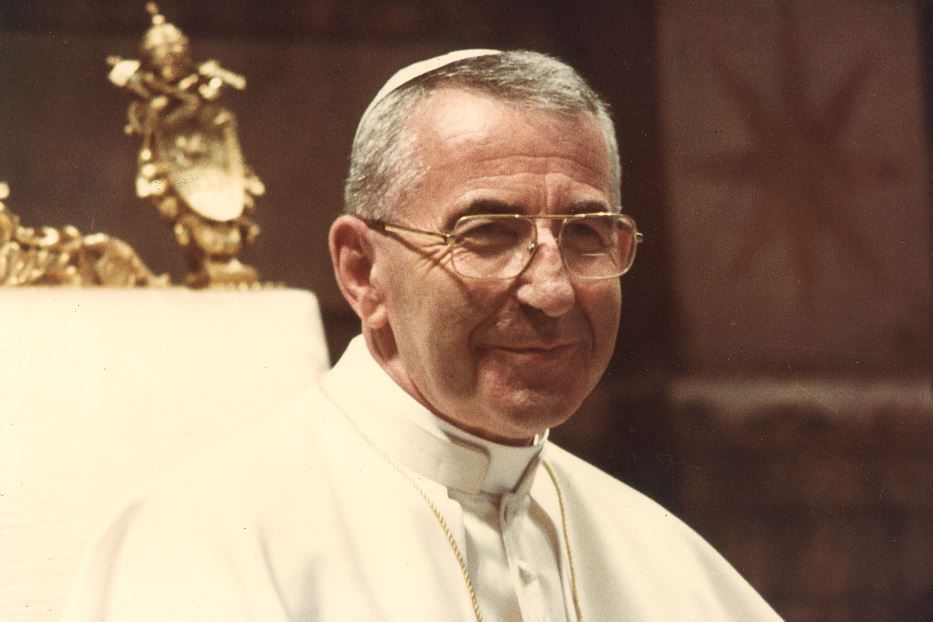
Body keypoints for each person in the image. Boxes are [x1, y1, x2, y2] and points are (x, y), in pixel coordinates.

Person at [63, 50, 780, 621]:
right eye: (488, 233)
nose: (553, 290)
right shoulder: (204, 541)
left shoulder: (663, 559)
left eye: (587, 235)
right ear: (362, 270)